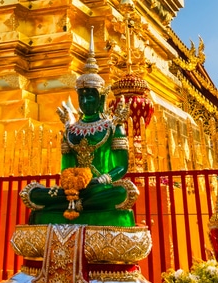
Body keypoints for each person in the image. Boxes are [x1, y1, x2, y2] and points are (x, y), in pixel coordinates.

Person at [20, 34, 138, 227]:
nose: (85, 101)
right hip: (72, 190)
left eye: (90, 96)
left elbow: (122, 167)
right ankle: (76, 202)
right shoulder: (71, 130)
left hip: (100, 189)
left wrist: (100, 180)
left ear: (100, 98)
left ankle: (75, 204)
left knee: (124, 192)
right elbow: (66, 167)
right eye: (81, 96)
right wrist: (69, 185)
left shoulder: (113, 127)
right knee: (30, 193)